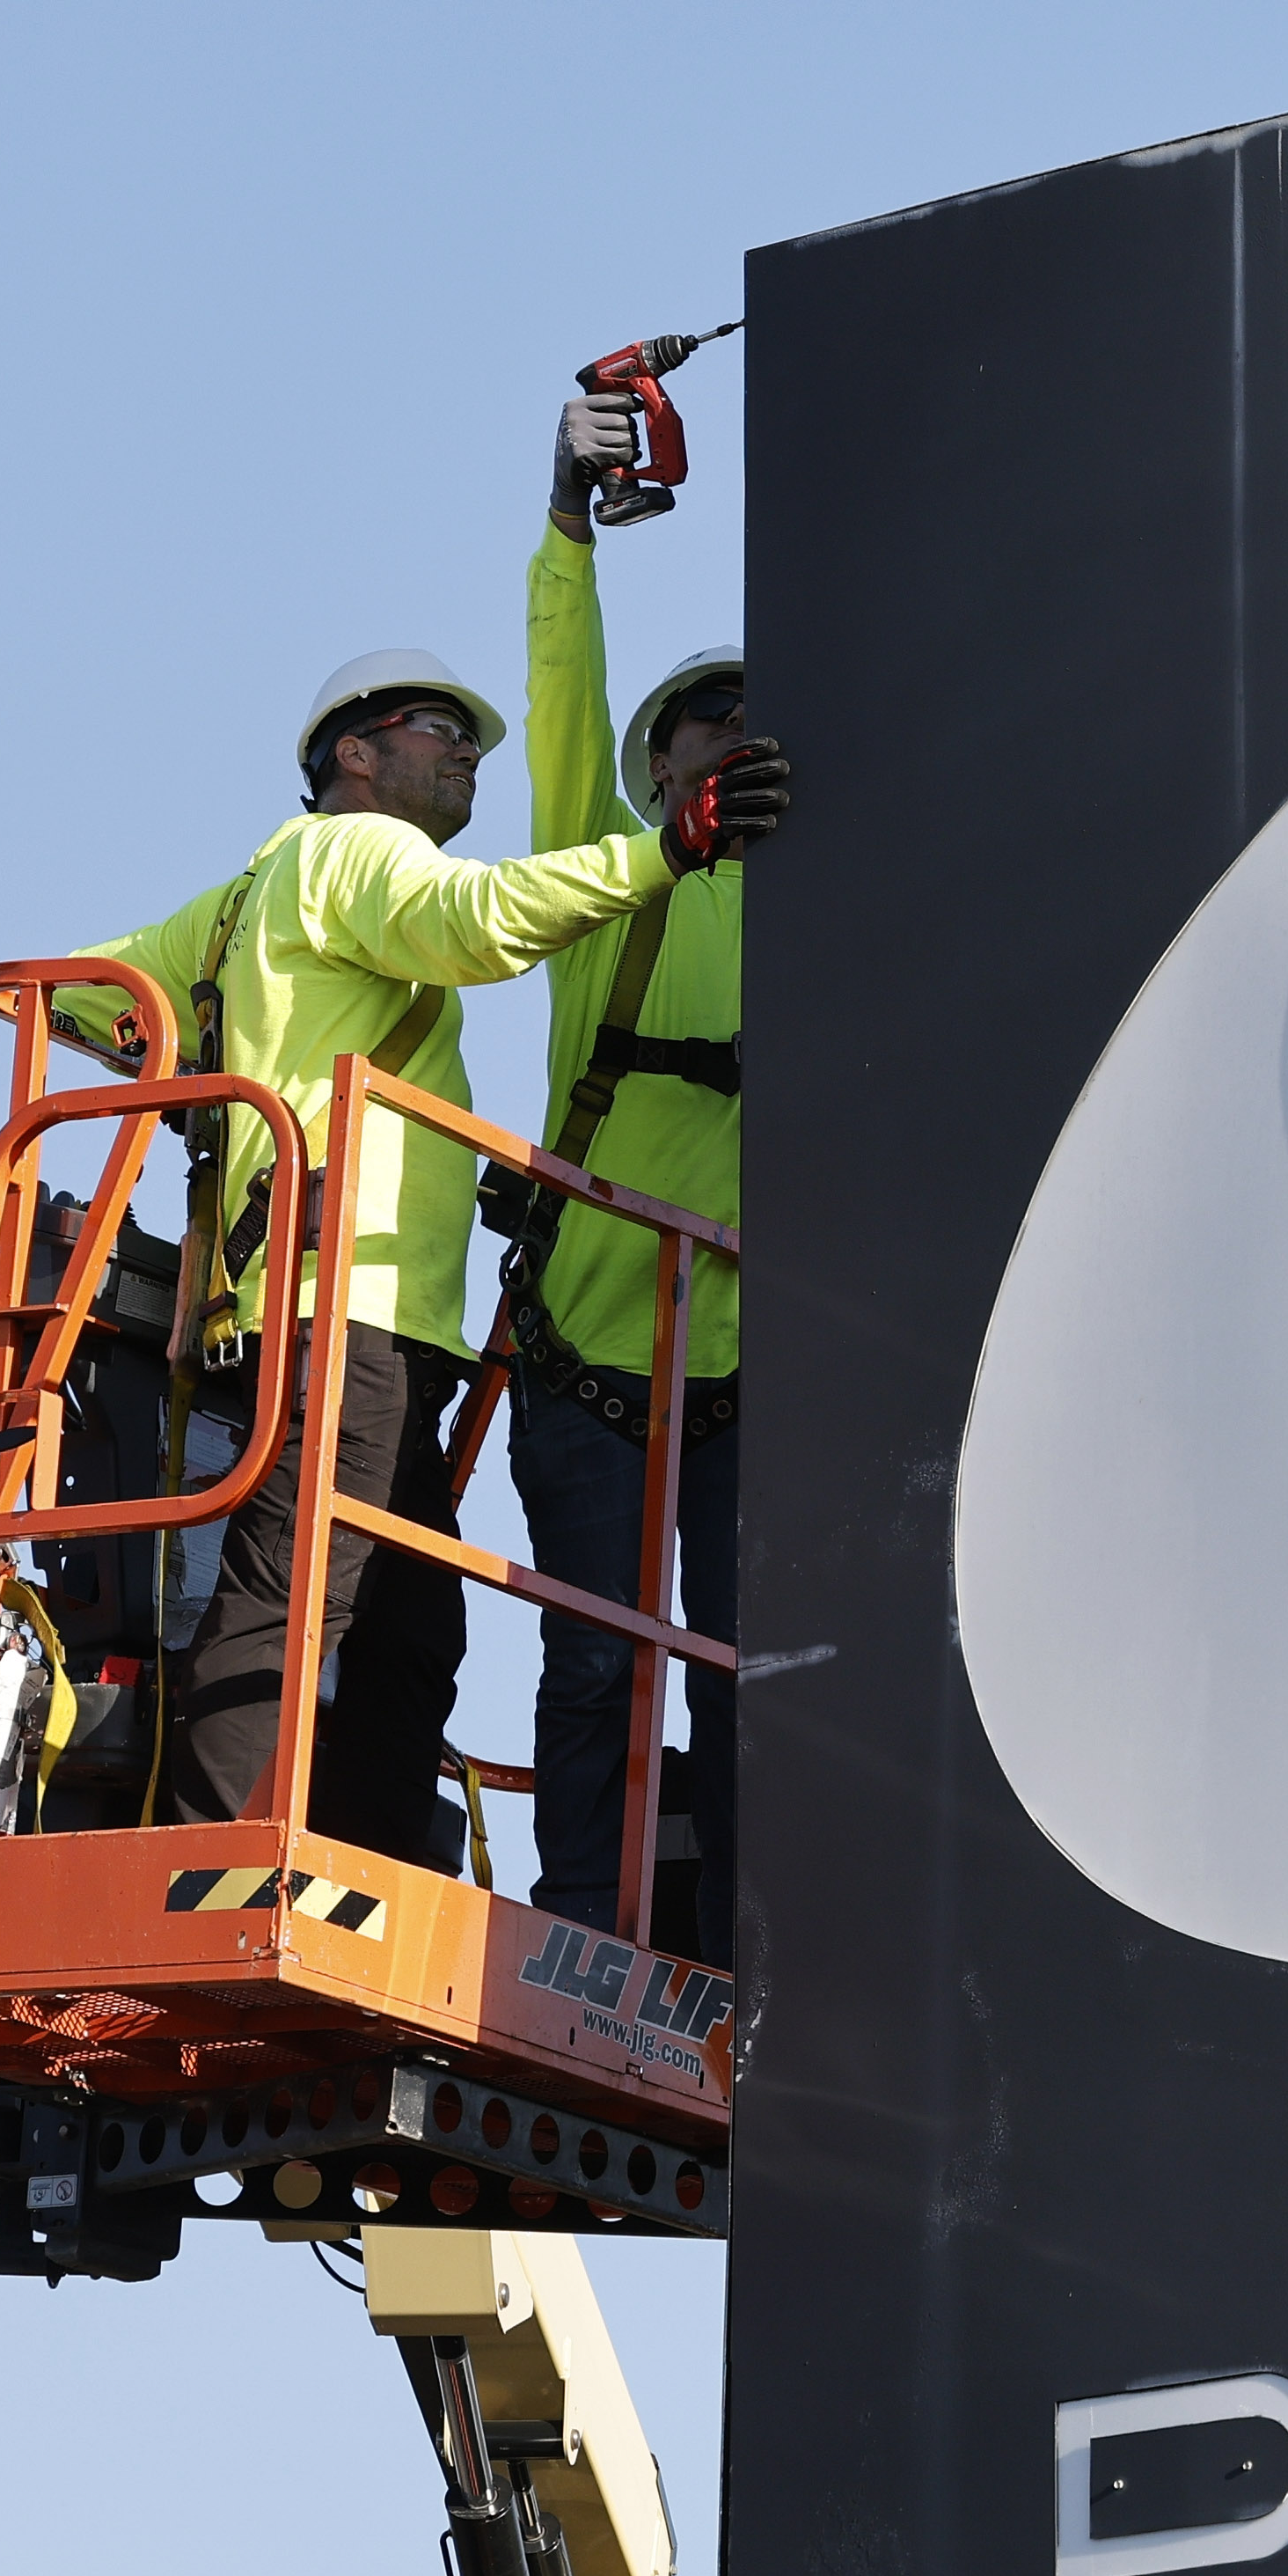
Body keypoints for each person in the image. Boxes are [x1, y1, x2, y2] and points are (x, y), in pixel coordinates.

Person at [75, 649, 792, 1864]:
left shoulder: (251, 895)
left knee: (405, 1628)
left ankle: (354, 1870)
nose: (469, 751)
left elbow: (95, 996)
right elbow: (475, 922)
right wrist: (665, 852)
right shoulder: (359, 852)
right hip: (340, 1295)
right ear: (355, 754)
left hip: (352, 1314)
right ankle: (210, 1868)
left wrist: (231, 1062)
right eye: (439, 728)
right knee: (300, 1597)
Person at [506, 383, 760, 1951]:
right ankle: (581, 1930)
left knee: (749, 1670)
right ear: (660, 763)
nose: (740, 734)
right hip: (589, 1351)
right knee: (599, 1654)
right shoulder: (606, 885)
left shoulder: (831, 921)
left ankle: (744, 1944)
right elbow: (561, 682)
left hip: (742, 1371)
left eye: (758, 718)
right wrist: (567, 525)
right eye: (711, 717)